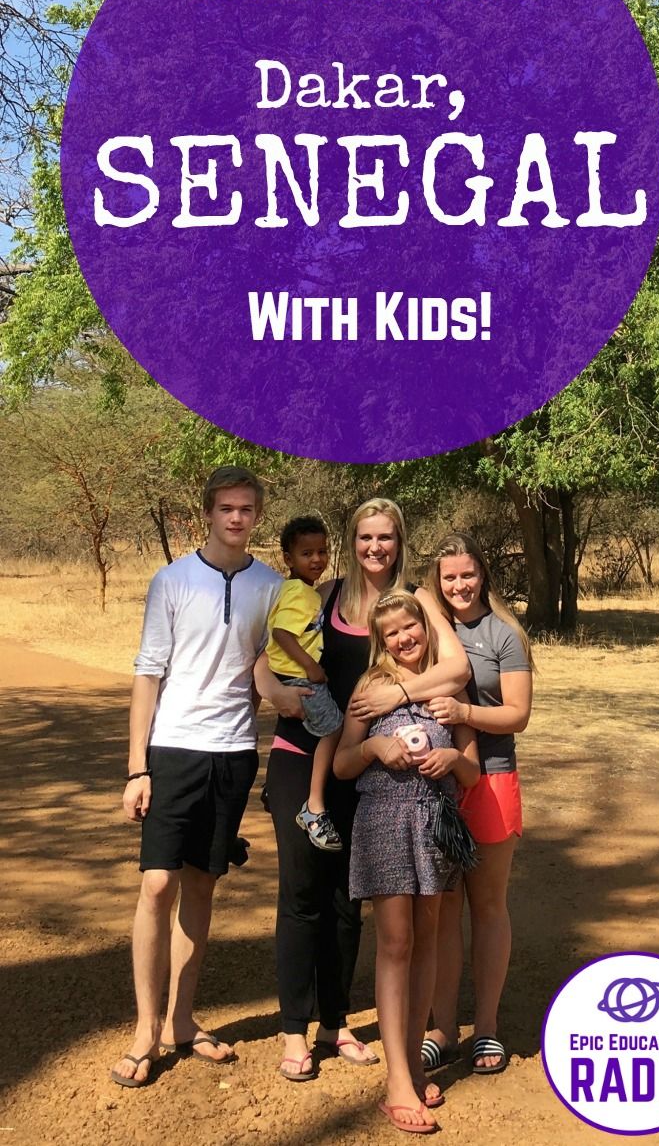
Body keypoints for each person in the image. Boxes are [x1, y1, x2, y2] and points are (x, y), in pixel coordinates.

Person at [255, 498, 469, 1083]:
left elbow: (457, 671)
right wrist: (274, 692)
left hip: (376, 777)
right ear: (352, 540)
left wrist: (396, 697)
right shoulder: (323, 593)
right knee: (302, 890)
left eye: (387, 537)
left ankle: (335, 1021)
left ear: (400, 541)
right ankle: (293, 1029)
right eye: (366, 537)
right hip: (308, 755)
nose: (376, 547)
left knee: (348, 903)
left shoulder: (417, 601)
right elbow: (263, 654)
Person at [110, 466, 282, 1089]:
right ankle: (144, 1030)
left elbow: (264, 671)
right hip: (173, 750)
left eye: (246, 509)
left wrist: (293, 701)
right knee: (157, 885)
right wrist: (137, 767)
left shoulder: (271, 585)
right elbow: (148, 673)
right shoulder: (173, 580)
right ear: (208, 513)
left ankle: (183, 1020)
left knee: (202, 887)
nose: (236, 518)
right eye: (226, 508)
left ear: (257, 515)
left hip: (233, 753)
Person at [334, 590, 480, 1133]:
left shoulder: (448, 686)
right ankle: (398, 1082)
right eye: (391, 632)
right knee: (396, 944)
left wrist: (450, 759)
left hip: (436, 825)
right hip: (385, 823)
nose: (403, 638)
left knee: (427, 940)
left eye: (409, 627)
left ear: (424, 626)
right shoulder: (370, 687)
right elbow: (344, 764)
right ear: (381, 640)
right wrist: (374, 749)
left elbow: (472, 771)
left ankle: (414, 1068)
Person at [420, 532, 533, 1077]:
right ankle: (442, 1029)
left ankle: (485, 1028)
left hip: (491, 779)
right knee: (442, 910)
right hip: (433, 783)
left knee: (487, 907)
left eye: (467, 574)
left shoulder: (504, 634)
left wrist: (464, 713)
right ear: (437, 581)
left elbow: (516, 715)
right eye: (449, 578)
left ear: (483, 573)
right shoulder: (429, 629)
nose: (459, 585)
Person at [266, 516, 343, 852]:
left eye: (322, 551)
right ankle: (313, 807)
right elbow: (282, 634)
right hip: (298, 676)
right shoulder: (299, 592)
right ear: (288, 558)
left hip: (293, 673)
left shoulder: (302, 590)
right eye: (306, 553)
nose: (316, 559)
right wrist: (311, 666)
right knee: (334, 729)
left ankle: (278, 789)